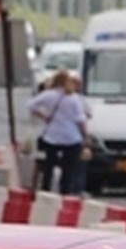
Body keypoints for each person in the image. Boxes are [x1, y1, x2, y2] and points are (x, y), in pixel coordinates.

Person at [28, 67, 89, 195]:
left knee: (48, 167)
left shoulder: (48, 95)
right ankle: (64, 193)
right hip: (71, 138)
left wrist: (44, 116)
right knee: (68, 169)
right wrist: (85, 136)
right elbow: (80, 119)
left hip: (52, 137)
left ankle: (46, 192)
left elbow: (31, 105)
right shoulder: (73, 98)